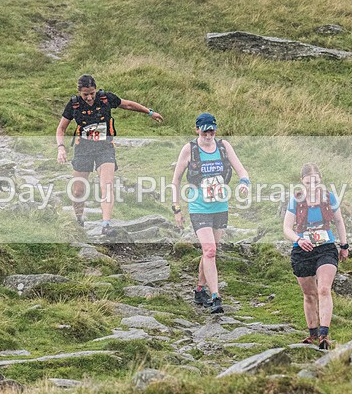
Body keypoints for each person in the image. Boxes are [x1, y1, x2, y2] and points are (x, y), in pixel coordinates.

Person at [56, 74, 163, 236]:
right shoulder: (74, 104)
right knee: (78, 191)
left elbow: (127, 105)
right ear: (79, 92)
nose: (90, 97)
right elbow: (61, 129)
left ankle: (106, 224)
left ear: (96, 90)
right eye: (86, 94)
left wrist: (150, 112)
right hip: (83, 148)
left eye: (92, 93)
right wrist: (61, 148)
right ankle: (79, 220)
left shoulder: (106, 98)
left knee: (107, 185)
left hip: (104, 148)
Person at [170, 113, 251, 314]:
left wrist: (244, 183)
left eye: (212, 130)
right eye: (205, 130)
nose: (208, 134)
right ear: (197, 129)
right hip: (198, 208)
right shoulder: (190, 149)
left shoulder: (224, 147)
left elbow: (242, 170)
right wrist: (177, 208)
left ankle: (199, 290)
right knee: (210, 251)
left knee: (210, 251)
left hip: (220, 208)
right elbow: (175, 181)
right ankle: (216, 297)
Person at [282, 163, 349, 350]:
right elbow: (286, 228)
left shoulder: (329, 197)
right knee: (309, 294)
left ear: (320, 180)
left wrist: (344, 245)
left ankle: (324, 335)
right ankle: (312, 334)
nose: (312, 184)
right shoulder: (295, 199)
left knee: (324, 289)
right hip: (302, 249)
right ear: (302, 182)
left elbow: (339, 221)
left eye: (315, 181)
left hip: (326, 247)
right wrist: (298, 239)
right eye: (308, 181)